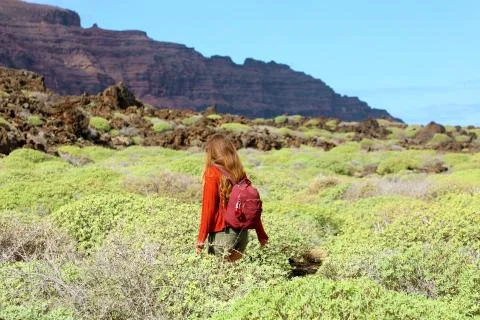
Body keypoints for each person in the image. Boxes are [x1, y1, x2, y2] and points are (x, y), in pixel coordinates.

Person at [195, 134, 268, 261]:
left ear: (212, 153)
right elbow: (252, 206)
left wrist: (201, 240)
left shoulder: (212, 173)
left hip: (222, 236)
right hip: (242, 235)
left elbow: (208, 210)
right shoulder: (239, 173)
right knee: (233, 276)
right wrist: (261, 235)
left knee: (219, 277)